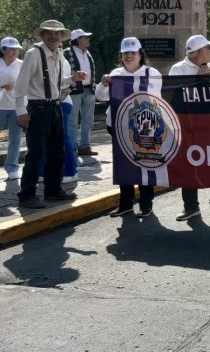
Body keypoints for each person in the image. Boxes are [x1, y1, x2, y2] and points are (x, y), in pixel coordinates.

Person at [14, 20, 83, 209]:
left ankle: (53, 191)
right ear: (42, 35)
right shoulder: (33, 53)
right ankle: (26, 195)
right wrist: (20, 111)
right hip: (37, 108)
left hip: (55, 106)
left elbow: (57, 83)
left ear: (62, 36)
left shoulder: (59, 55)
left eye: (57, 33)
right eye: (49, 33)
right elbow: (21, 84)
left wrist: (72, 79)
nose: (53, 36)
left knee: (57, 151)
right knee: (36, 153)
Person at [96, 37, 161, 218]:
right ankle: (125, 203)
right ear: (121, 55)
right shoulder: (115, 74)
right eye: (125, 53)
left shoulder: (151, 72)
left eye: (133, 53)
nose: (129, 56)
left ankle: (146, 203)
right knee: (123, 164)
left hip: (144, 128)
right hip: (117, 126)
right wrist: (103, 83)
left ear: (140, 54)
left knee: (145, 162)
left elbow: (157, 98)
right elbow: (101, 97)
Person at [168, 34, 210, 222]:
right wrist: (196, 78)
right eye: (208, 49)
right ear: (200, 52)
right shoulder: (178, 69)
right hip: (187, 127)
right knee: (188, 166)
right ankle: (191, 207)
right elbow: (173, 93)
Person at [63, 28, 98, 157]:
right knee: (72, 120)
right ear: (77, 40)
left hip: (89, 89)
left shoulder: (87, 53)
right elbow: (62, 71)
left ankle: (85, 146)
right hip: (74, 91)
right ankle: (72, 147)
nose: (88, 39)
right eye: (85, 37)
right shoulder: (67, 53)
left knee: (88, 120)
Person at [0, 37, 24, 180]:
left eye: (16, 49)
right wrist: (3, 87)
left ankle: (12, 168)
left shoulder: (22, 64)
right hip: (0, 105)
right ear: (3, 50)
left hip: (17, 106)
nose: (14, 51)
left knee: (15, 139)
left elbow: (29, 82)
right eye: (11, 49)